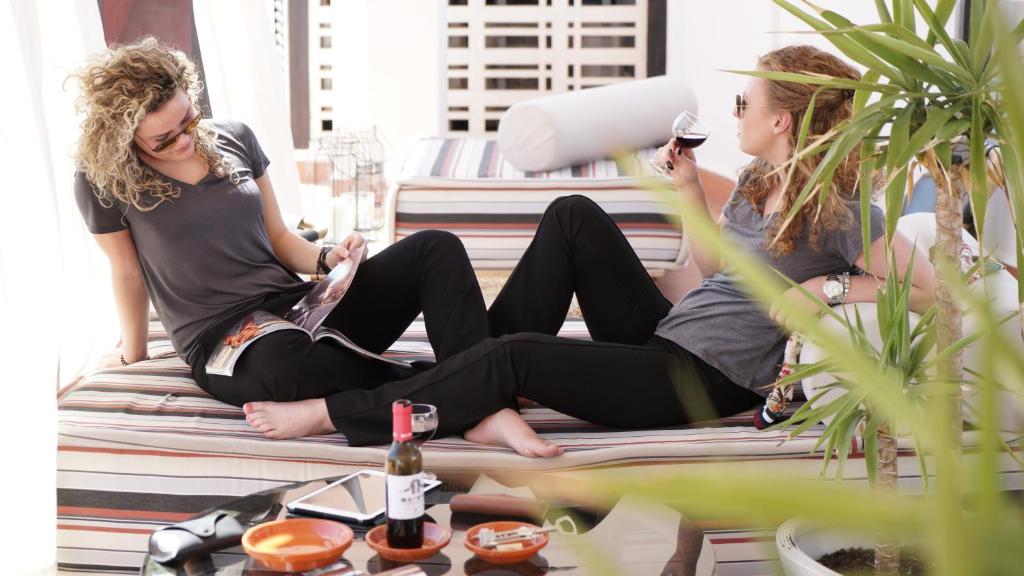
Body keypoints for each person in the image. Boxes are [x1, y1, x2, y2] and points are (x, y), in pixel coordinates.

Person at [72, 37, 560, 458]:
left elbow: (280, 238)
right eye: (163, 139)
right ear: (124, 135)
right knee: (286, 365)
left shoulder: (236, 138)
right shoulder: (102, 182)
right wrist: (133, 355)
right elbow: (128, 273)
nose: (183, 139)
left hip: (299, 305)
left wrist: (329, 258)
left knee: (435, 248)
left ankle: (474, 398)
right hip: (226, 338)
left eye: (188, 120)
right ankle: (480, 398)